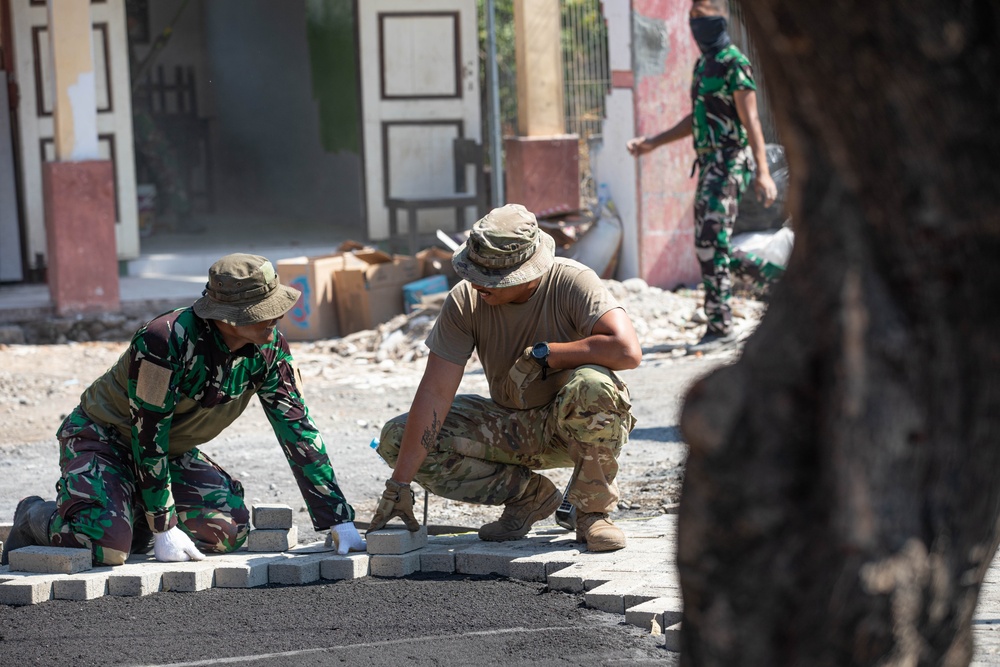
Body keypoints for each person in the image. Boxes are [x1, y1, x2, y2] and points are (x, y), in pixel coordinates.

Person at [1, 254, 364, 566]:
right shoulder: (164, 340)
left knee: (227, 532)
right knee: (106, 547)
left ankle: (124, 513)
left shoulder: (270, 348)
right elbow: (147, 434)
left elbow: (297, 428)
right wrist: (164, 525)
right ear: (226, 316)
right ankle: (35, 516)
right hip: (104, 441)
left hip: (167, 454)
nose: (276, 317)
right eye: (262, 312)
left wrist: (337, 517)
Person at [366, 204, 642, 552]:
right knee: (396, 438)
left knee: (595, 384)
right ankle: (530, 496)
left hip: (568, 425)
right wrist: (399, 485)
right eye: (474, 272)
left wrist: (549, 354)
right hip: (509, 425)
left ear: (527, 272)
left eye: (490, 278)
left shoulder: (571, 281)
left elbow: (627, 351)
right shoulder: (466, 300)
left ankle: (592, 513)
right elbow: (435, 391)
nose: (477, 283)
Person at [627, 0, 778, 351]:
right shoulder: (703, 65)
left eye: (705, 14)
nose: (698, 22)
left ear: (722, 16)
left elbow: (751, 119)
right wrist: (653, 142)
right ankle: (722, 319)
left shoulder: (734, 63)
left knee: (712, 238)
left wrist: (763, 171)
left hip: (729, 161)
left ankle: (721, 326)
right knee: (708, 240)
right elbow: (694, 120)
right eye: (692, 16)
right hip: (710, 163)